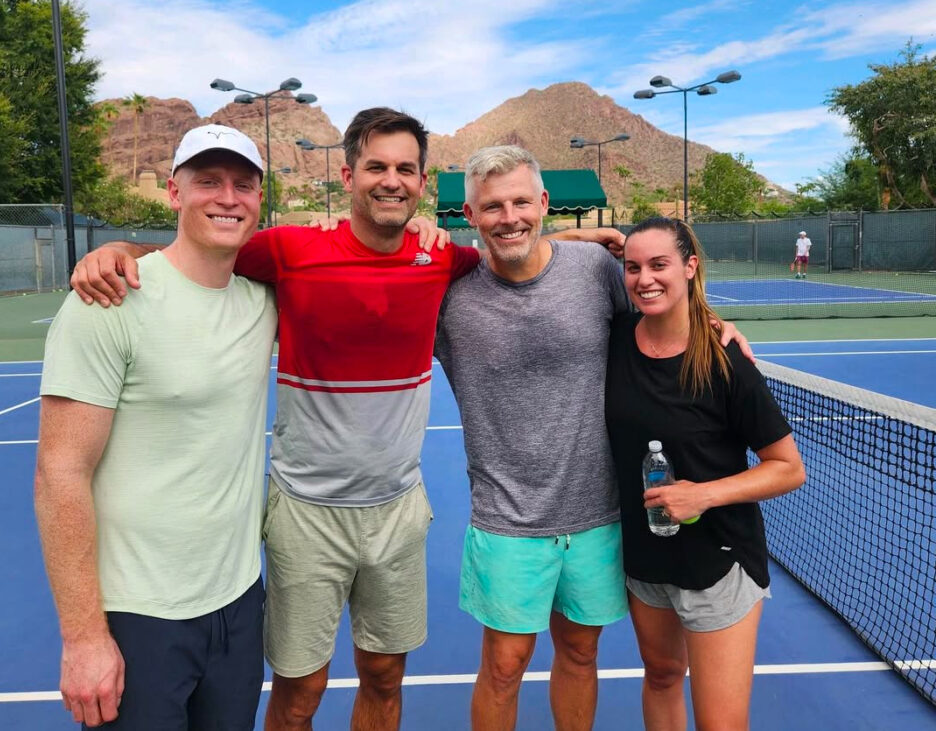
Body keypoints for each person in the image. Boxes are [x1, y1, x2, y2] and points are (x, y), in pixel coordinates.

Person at [69, 107, 480, 731]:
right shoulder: (292, 249)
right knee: (300, 692)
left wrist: (590, 239)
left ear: (424, 182)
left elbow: (517, 252)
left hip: (399, 512)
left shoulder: (440, 258)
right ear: (348, 175)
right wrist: (120, 249)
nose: (391, 180)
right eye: (376, 166)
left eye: (405, 169)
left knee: (385, 678)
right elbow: (199, 249)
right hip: (306, 515)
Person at [34, 124, 278, 729]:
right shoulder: (108, 301)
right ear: (174, 192)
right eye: (208, 182)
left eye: (243, 185)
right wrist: (84, 637)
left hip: (240, 602)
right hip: (139, 616)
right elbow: (59, 471)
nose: (227, 197)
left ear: (259, 202)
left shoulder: (263, 301)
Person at [434, 145, 630, 731]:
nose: (509, 216)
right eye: (492, 206)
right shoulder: (449, 294)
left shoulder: (596, 272)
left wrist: (719, 326)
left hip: (599, 510)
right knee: (504, 664)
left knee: (580, 651)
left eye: (521, 201)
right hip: (506, 518)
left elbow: (660, 324)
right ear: (470, 216)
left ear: (544, 203)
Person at [604, 216, 805, 730]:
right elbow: (532, 260)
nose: (644, 278)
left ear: (690, 267)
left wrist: (705, 495)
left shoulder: (726, 360)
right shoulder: (615, 340)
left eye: (659, 264)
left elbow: (788, 469)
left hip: (718, 563)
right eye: (632, 267)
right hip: (645, 559)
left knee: (720, 722)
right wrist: (582, 235)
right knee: (663, 676)